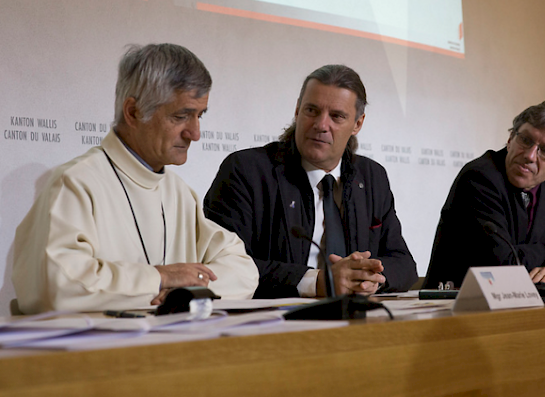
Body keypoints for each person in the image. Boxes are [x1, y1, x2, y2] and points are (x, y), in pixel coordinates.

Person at [13, 43, 258, 314]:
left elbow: (243, 269)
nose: (195, 133)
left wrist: (184, 293)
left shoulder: (179, 193)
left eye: (199, 116)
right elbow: (56, 287)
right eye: (181, 116)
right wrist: (159, 279)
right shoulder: (76, 183)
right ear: (133, 112)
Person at [204, 64, 418, 298]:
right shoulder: (245, 170)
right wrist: (316, 282)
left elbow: (403, 263)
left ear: (357, 124)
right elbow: (225, 265)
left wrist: (369, 278)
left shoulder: (372, 177)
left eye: (336, 116)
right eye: (311, 111)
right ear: (297, 111)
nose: (321, 125)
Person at [423, 101, 545, 289]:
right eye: (526, 140)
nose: (530, 156)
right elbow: (500, 263)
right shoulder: (480, 177)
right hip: (461, 304)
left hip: (521, 300)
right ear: (510, 139)